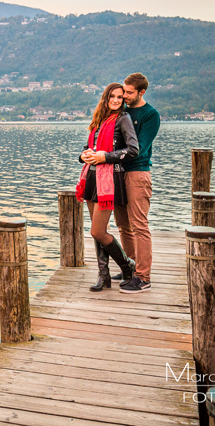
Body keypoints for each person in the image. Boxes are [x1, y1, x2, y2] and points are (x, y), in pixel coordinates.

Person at [76, 83, 139, 292]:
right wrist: (83, 155)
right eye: (112, 96)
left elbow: (132, 150)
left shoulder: (123, 119)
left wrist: (105, 156)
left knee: (98, 231)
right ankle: (104, 276)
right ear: (106, 97)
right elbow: (90, 148)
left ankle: (127, 265)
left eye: (120, 97)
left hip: (110, 179)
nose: (115, 100)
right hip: (91, 177)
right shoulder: (99, 120)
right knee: (96, 233)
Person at [114, 72, 161, 294]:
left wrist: (108, 156)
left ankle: (144, 277)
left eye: (130, 92)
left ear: (142, 92)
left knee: (139, 225)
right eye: (124, 91)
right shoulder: (120, 110)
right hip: (117, 173)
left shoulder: (151, 115)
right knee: (123, 224)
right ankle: (130, 267)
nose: (125, 95)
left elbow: (139, 148)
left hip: (138, 173)